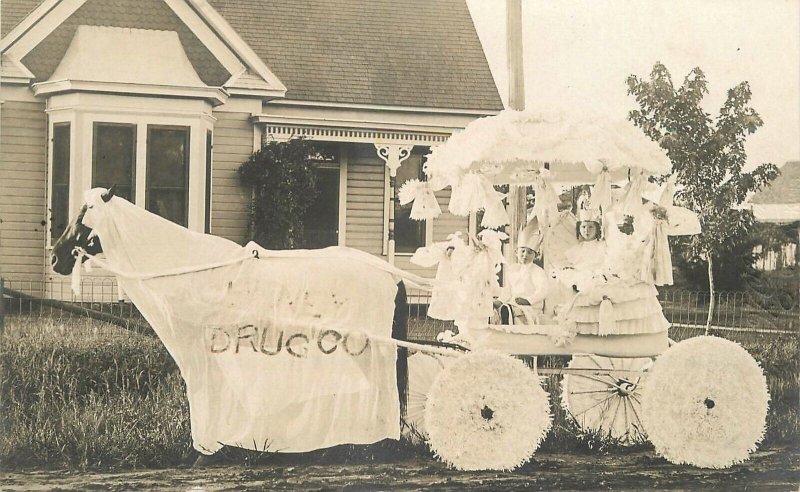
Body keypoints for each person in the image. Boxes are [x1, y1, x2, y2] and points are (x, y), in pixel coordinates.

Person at [494, 226, 550, 325]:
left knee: (515, 312)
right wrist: (500, 300)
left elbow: (543, 290)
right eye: (522, 251)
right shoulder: (512, 269)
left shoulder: (537, 271)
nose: (525, 255)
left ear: (535, 255)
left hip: (531, 307)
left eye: (529, 252)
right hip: (514, 303)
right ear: (516, 252)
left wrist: (528, 300)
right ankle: (506, 316)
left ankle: (508, 315)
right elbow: (508, 290)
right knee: (502, 309)